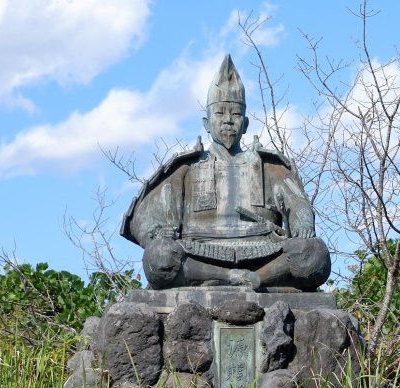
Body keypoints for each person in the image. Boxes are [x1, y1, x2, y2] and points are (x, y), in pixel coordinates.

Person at [121, 55, 331, 291]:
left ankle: (258, 279)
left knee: (314, 252)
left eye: (236, 114)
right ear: (206, 123)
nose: (228, 121)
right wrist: (159, 233)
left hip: (264, 255)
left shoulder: (269, 166)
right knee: (158, 256)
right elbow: (146, 219)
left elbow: (298, 204)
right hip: (199, 255)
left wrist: (303, 222)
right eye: (220, 113)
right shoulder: (186, 168)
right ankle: (227, 277)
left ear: (246, 123)